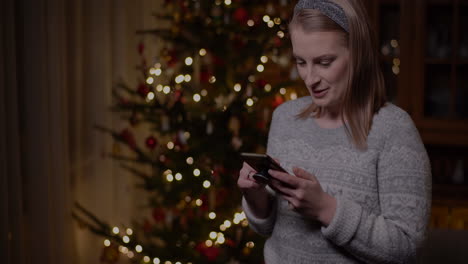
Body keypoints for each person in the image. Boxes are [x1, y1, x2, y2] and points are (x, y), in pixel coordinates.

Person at [237, 0, 432, 263]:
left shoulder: (394, 130)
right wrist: (255, 195)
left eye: (324, 62)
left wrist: (326, 208)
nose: (309, 78)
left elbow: (406, 247)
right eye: (301, 62)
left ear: (358, 53)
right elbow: (269, 227)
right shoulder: (284, 117)